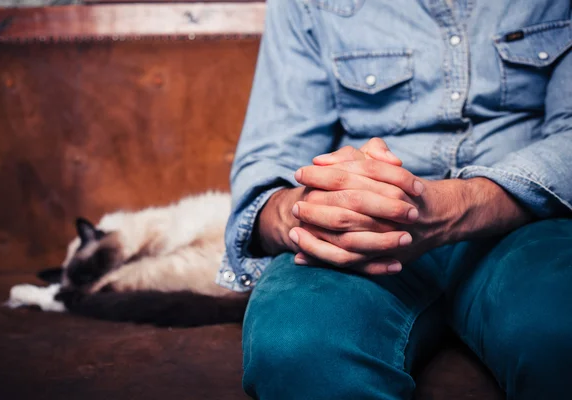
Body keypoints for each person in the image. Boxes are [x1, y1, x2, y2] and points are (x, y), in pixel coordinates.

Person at [216, 0, 572, 398]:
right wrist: (307, 210)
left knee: (559, 328)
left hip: (530, 220)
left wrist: (460, 205)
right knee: (293, 343)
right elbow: (269, 162)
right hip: (362, 229)